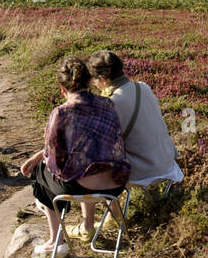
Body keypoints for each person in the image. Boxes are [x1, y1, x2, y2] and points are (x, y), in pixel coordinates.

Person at [19, 57, 131, 258]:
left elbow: (54, 158)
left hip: (79, 187)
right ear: (89, 82)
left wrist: (39, 159)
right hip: (115, 184)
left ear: (62, 88)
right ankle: (72, 232)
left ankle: (56, 241)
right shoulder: (107, 104)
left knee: (41, 174)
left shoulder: (61, 112)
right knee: (54, 169)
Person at [70, 50, 183, 237]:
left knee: (90, 163)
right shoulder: (144, 87)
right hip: (168, 165)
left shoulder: (110, 103)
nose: (95, 86)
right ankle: (108, 220)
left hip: (144, 171)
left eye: (95, 81)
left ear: (103, 79)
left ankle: (89, 226)